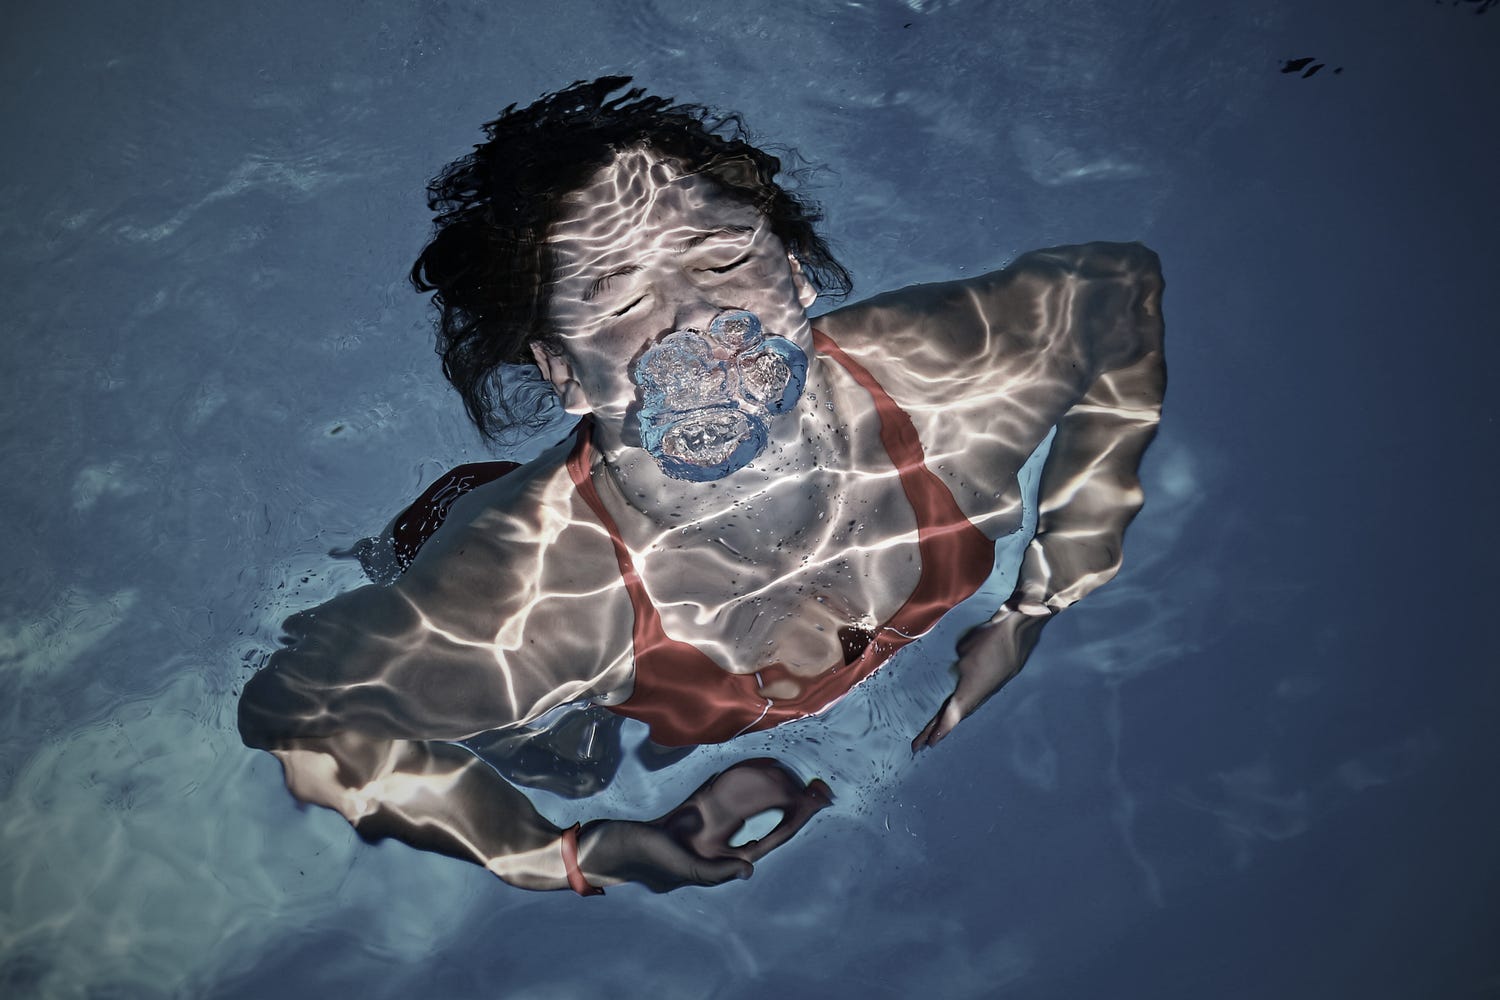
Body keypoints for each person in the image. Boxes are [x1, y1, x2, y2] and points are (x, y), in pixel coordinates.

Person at [238, 77, 1165, 895]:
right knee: (564, 759)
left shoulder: (941, 382)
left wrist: (1048, 591)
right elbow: (298, 710)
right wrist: (565, 856)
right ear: (563, 373)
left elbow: (1119, 288)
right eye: (618, 298)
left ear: (793, 273)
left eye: (721, 258)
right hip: (485, 546)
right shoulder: (542, 596)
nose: (697, 318)